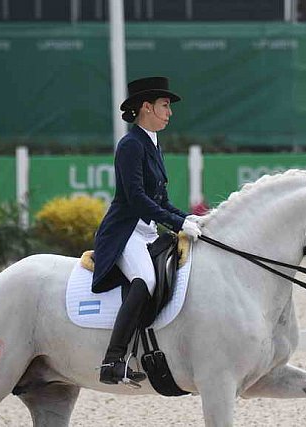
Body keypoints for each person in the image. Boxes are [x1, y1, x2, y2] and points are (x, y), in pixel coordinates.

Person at [91, 76, 202, 386]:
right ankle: (113, 360)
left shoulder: (153, 144)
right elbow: (137, 199)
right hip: (125, 232)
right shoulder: (130, 145)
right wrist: (179, 224)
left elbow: (162, 200)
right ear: (146, 107)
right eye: (165, 106)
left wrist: (194, 220)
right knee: (146, 280)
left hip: (148, 232)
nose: (170, 112)